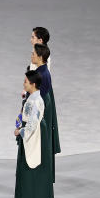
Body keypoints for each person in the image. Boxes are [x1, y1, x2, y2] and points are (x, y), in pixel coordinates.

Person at [14, 70, 54, 198]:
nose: (23, 83)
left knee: (36, 170)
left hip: (35, 137)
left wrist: (20, 132)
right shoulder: (31, 97)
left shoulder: (36, 100)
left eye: (25, 81)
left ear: (33, 84)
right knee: (30, 170)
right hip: (32, 136)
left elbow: (32, 123)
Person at [31, 44, 60, 178]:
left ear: (40, 57)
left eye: (33, 54)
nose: (31, 56)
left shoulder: (41, 75)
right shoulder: (43, 72)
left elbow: (38, 99)